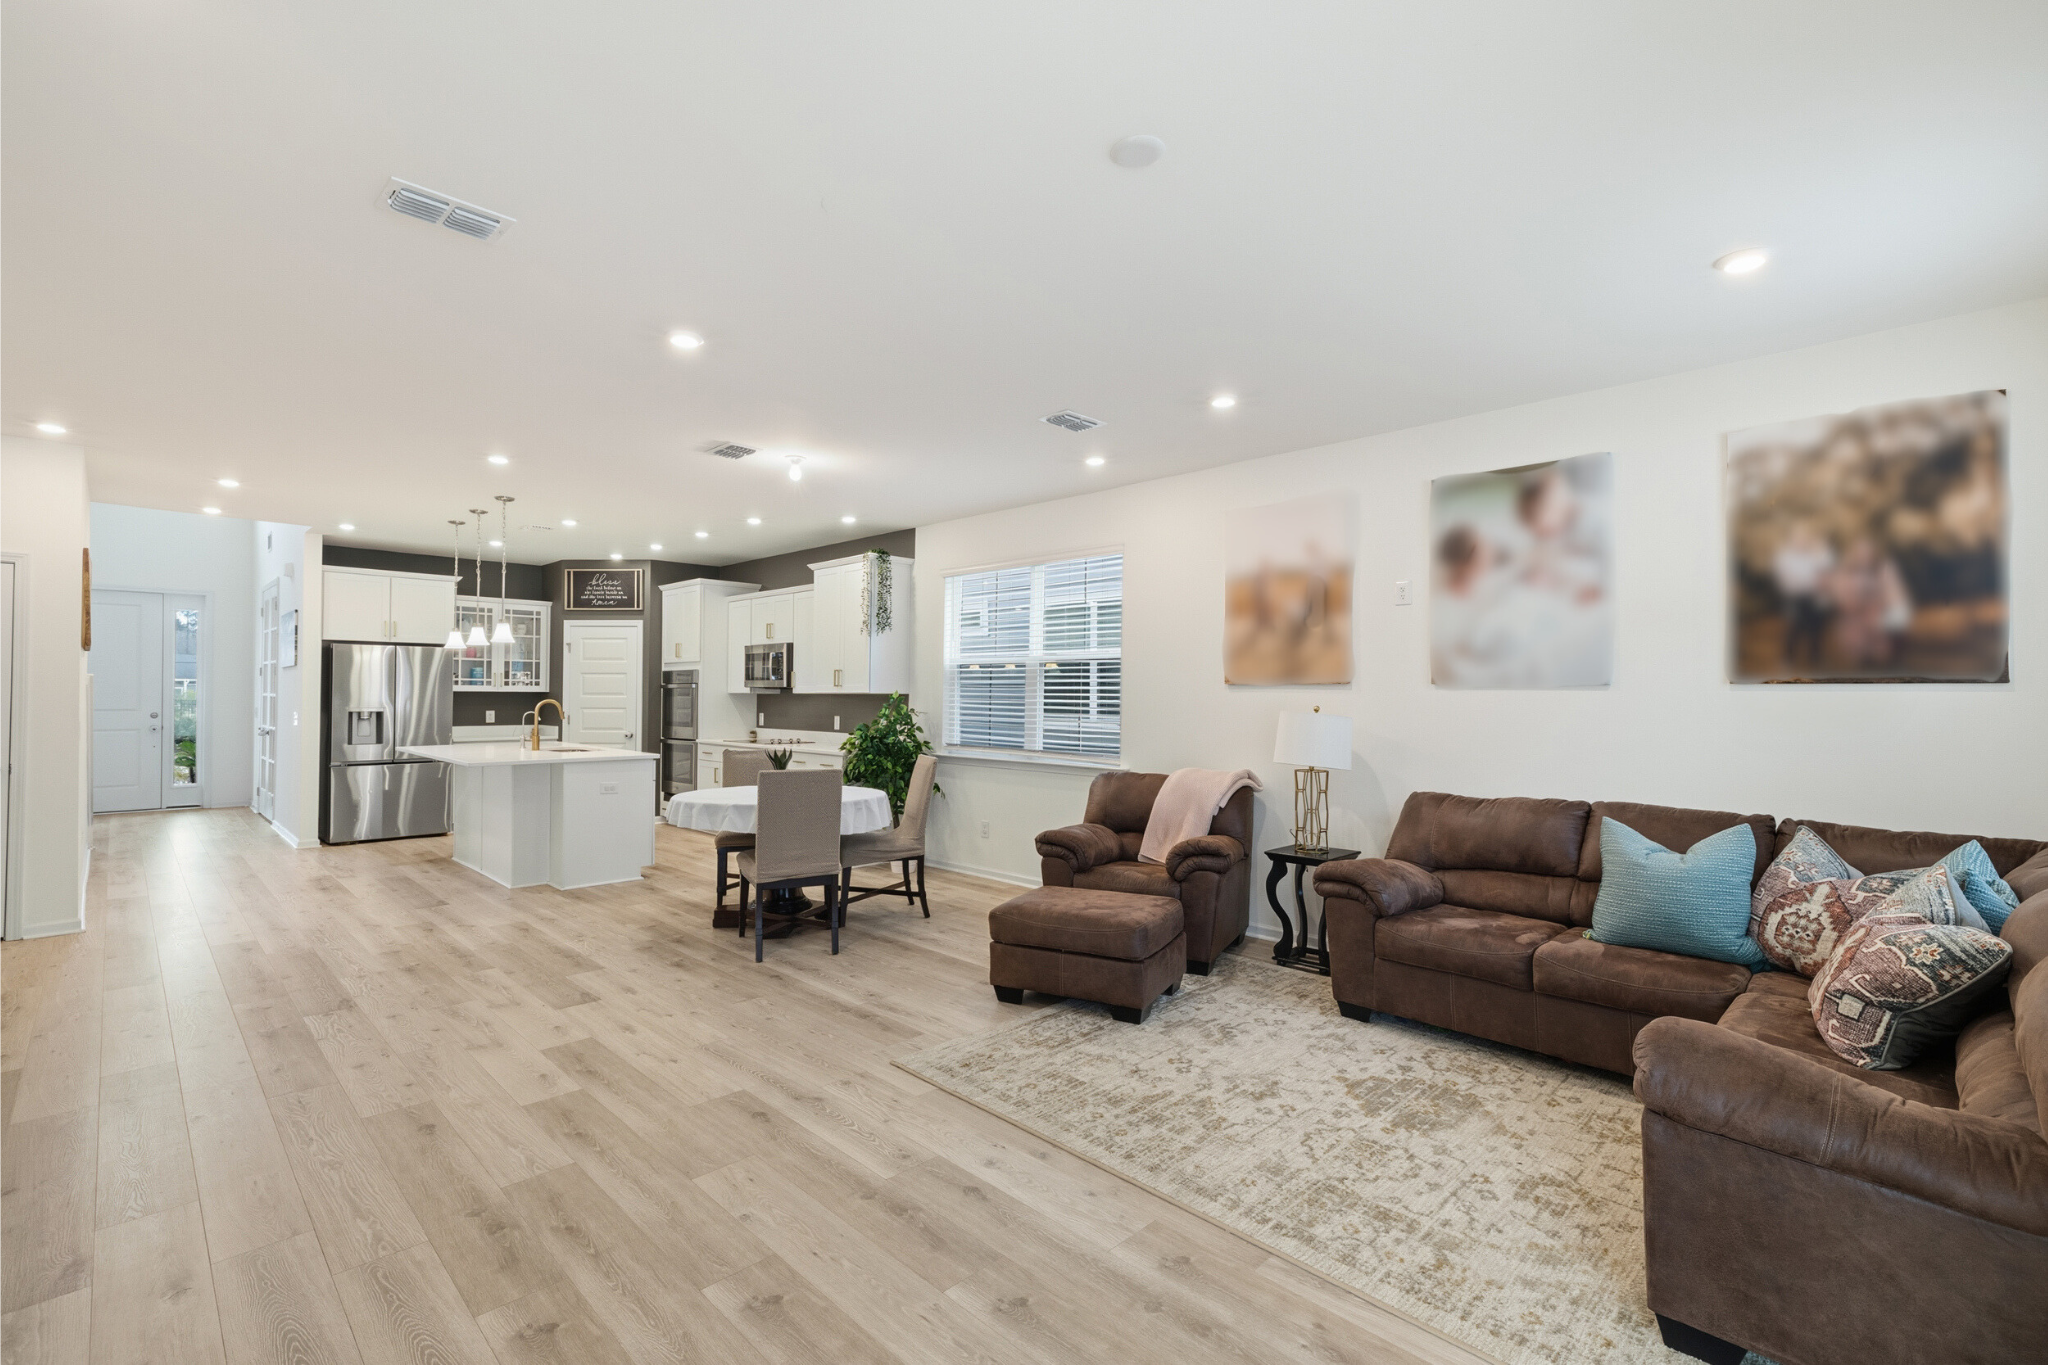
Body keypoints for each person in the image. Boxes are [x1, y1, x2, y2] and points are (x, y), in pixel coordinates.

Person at [1773, 523, 1834, 671]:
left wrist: (1820, 550)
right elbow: (1790, 582)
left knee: (1817, 626)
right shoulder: (1784, 556)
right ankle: (1788, 658)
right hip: (1794, 598)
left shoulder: (1815, 554)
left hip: (1814, 596)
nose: (1801, 541)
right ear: (1791, 539)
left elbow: (1828, 569)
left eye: (1804, 538)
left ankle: (1815, 656)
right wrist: (1814, 581)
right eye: (1798, 537)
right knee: (1795, 626)